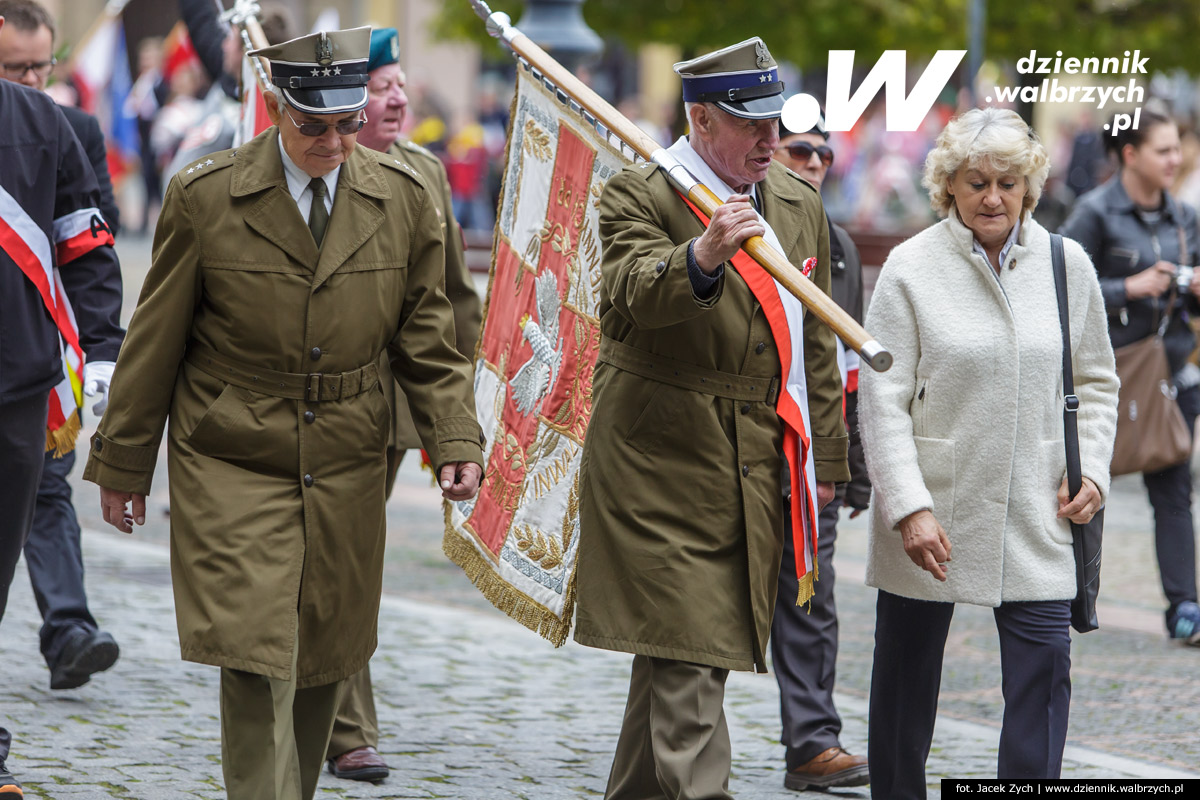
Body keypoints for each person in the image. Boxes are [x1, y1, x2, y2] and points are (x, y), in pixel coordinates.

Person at [82, 27, 484, 800]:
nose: (334, 141)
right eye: (313, 125)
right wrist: (124, 462)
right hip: (232, 448)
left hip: (347, 453)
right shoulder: (206, 195)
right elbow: (155, 342)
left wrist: (452, 437)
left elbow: (428, 336)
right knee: (253, 648)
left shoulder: (401, 197)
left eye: (348, 123)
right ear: (274, 108)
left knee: (325, 651)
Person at [574, 38, 848, 800]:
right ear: (699, 119)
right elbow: (629, 293)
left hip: (754, 460)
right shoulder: (645, 190)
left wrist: (824, 460)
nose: (770, 141)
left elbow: (814, 344)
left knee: (684, 651)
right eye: (749, 125)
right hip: (657, 458)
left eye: (774, 124)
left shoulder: (796, 202)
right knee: (691, 650)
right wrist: (700, 255)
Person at [859, 108, 1119, 797]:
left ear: (1030, 187)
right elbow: (881, 401)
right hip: (933, 511)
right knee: (904, 688)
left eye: (1007, 182)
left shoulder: (1068, 267)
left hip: (1038, 508)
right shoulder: (910, 269)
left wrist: (1091, 467)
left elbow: (1095, 380)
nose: (992, 197)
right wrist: (908, 508)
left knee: (1042, 677)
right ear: (948, 188)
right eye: (975, 182)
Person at [321, 26, 483, 783]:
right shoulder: (318, 166)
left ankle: (345, 726)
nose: (394, 97)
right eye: (378, 85)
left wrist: (461, 419)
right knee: (325, 556)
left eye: (396, 84)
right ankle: (316, 704)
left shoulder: (423, 172)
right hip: (312, 394)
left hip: (386, 405)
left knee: (351, 557)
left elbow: (451, 298)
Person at [0, 10, 124, 794]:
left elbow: (87, 245)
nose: (30, 80)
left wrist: (104, 354)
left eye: (37, 66)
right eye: (17, 67)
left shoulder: (49, 126)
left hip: (17, 390)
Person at [1060, 109, 1200, 646]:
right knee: (1089, 484)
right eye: (1163, 150)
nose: (1175, 159)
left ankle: (1184, 607)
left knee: (1173, 488)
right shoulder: (1094, 213)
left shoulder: (1184, 217)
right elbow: (1063, 286)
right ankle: (1073, 598)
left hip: (1168, 376)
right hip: (1108, 377)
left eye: (1176, 149)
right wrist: (1130, 287)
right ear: (1129, 154)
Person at [769, 112, 870, 791]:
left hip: (809, 456)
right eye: (798, 149)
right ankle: (677, 740)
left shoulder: (839, 246)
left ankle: (812, 742)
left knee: (812, 594)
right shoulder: (735, 217)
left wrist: (849, 461)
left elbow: (844, 361)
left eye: (822, 154)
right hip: (737, 440)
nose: (811, 163)